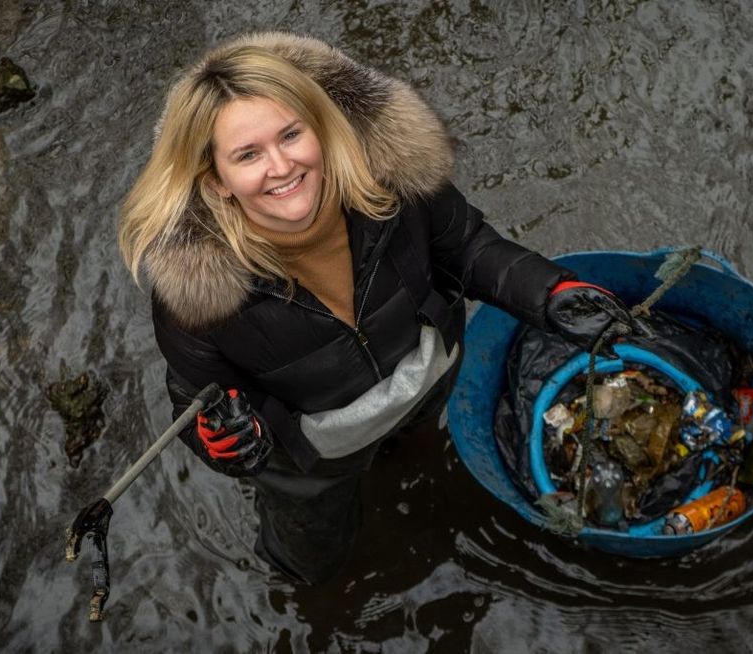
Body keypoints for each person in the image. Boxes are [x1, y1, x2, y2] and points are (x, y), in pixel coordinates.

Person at [118, 31, 634, 584]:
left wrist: (549, 294)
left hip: (423, 382)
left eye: (291, 134)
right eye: (248, 155)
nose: (282, 166)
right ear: (216, 181)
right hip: (311, 458)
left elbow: (467, 248)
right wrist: (231, 442)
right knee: (312, 557)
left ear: (320, 125)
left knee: (418, 454)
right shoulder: (194, 294)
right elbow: (198, 401)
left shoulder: (393, 186)